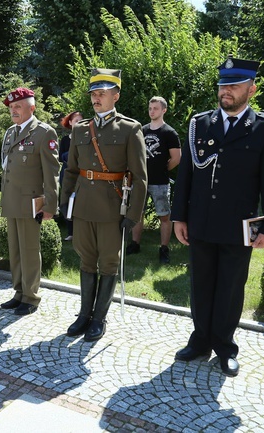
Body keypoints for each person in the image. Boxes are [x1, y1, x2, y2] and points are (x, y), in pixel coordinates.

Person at [171, 56, 264, 377]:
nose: (227, 91)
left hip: (240, 225)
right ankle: (200, 340)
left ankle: (225, 346)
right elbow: (187, 177)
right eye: (223, 85)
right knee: (201, 283)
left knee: (231, 287)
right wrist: (180, 217)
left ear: (252, 88)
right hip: (201, 221)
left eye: (234, 85)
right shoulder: (199, 124)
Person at [61, 68, 147, 341]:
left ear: (116, 96)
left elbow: (141, 177)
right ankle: (84, 315)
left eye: (102, 93)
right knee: (86, 260)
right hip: (84, 205)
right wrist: (66, 202)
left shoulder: (130, 128)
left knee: (108, 263)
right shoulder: (80, 129)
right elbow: (72, 170)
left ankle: (99, 318)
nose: (96, 98)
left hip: (112, 207)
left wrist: (133, 214)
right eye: (93, 94)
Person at [0, 87, 60, 316]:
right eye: (12, 107)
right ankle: (19, 292)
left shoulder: (44, 133)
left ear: (31, 108)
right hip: (12, 200)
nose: (14, 111)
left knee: (29, 250)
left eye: (18, 107)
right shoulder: (10, 132)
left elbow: (52, 173)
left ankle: (31, 297)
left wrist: (50, 205)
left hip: (30, 202)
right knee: (15, 250)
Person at [126, 96, 181, 263]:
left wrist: (162, 169)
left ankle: (164, 249)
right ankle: (135, 244)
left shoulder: (169, 133)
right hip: (140, 181)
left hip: (160, 182)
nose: (152, 111)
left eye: (156, 108)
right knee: (137, 214)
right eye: (150, 108)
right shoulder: (142, 130)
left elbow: (176, 158)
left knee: (164, 216)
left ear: (164, 110)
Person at [58, 111, 83, 241]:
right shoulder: (65, 140)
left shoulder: (87, 138)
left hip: (82, 175)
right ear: (70, 123)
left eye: (81, 120)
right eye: (76, 121)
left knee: (81, 202)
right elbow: (61, 157)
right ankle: (71, 232)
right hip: (67, 174)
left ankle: (81, 232)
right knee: (67, 202)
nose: (79, 123)